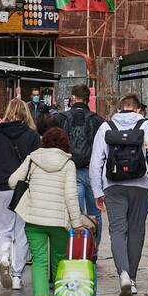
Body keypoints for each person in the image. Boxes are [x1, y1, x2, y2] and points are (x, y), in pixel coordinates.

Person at [90, 93, 148, 296]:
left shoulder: (106, 127)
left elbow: (96, 162)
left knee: (117, 231)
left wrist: (97, 191)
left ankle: (122, 273)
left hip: (113, 187)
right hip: (139, 186)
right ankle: (131, 278)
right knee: (136, 232)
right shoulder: (145, 125)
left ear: (120, 108)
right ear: (138, 108)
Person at [8, 125, 84, 296]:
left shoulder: (32, 159)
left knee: (39, 260)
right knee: (59, 259)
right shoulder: (68, 164)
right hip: (58, 221)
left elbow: (12, 181)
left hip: (34, 218)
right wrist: (78, 223)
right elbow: (71, 196)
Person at [0, 99, 40, 290]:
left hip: (1, 185)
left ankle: (4, 256)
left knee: (2, 228)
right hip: (24, 186)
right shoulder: (32, 136)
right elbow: (36, 164)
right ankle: (17, 276)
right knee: (22, 231)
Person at [55, 84, 104, 247]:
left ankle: (74, 249)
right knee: (95, 213)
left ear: (73, 98)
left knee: (75, 213)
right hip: (93, 171)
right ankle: (93, 250)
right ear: (88, 99)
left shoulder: (61, 118)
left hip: (70, 170)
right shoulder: (97, 120)